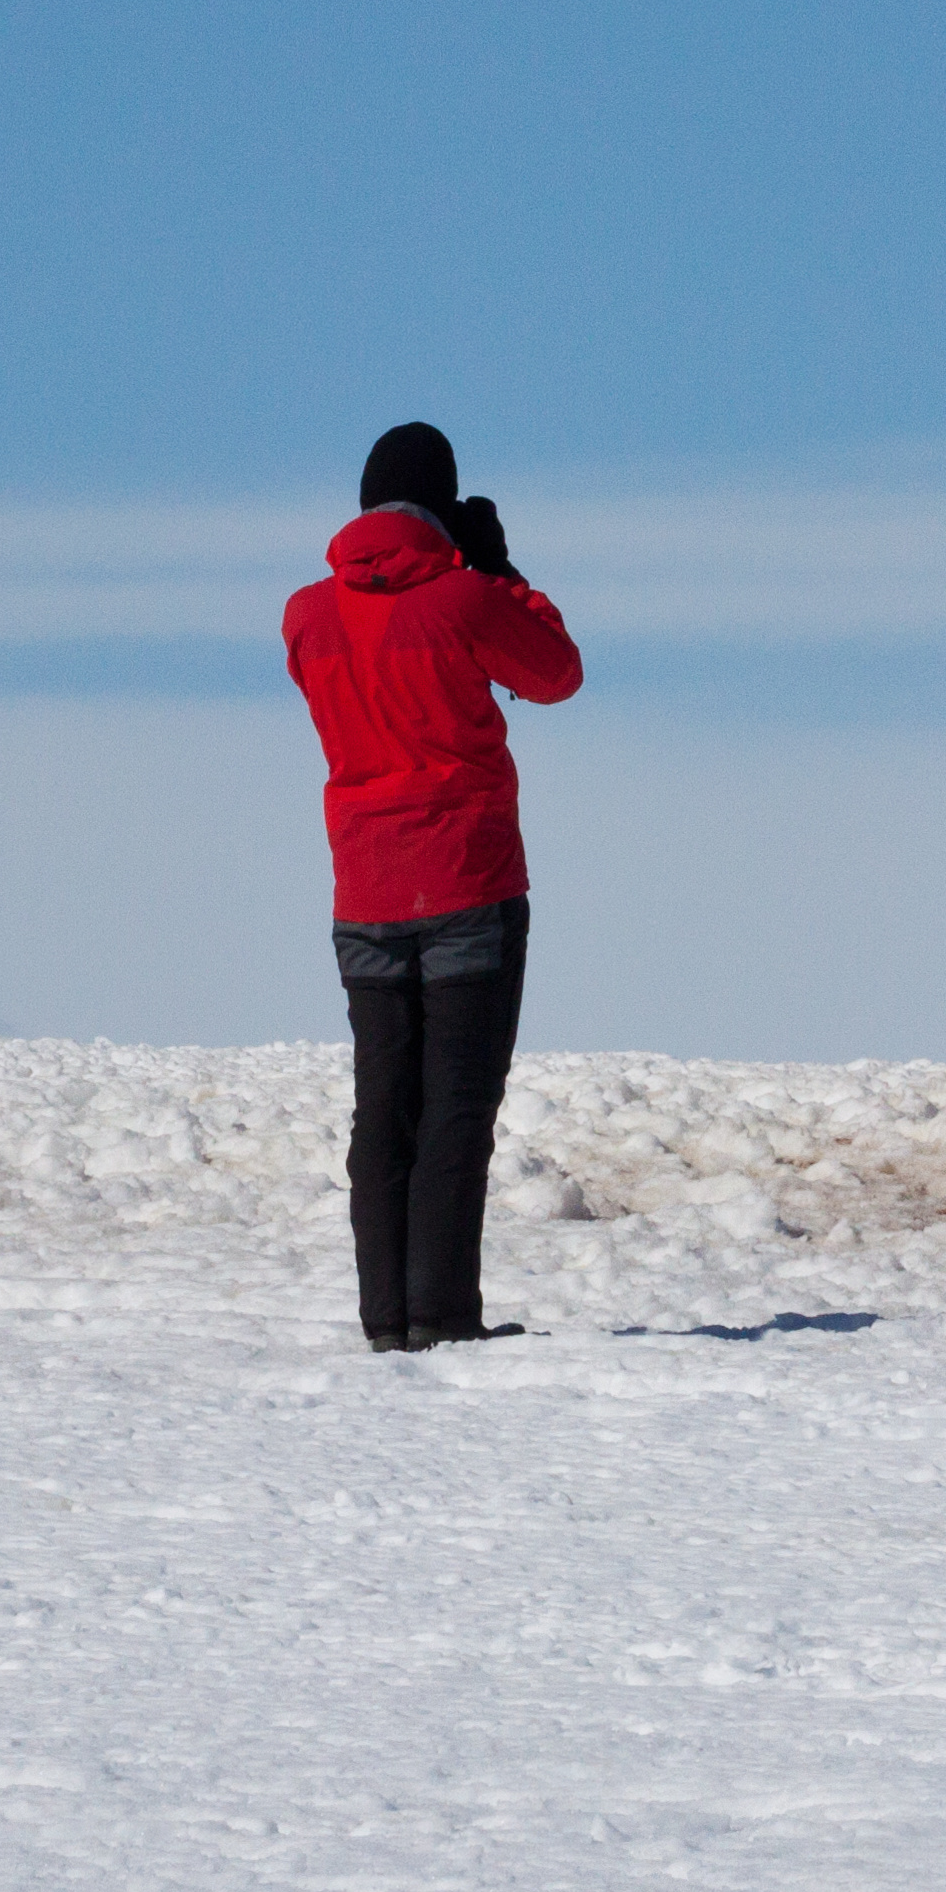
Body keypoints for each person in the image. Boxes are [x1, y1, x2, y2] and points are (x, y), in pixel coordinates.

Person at [281, 423, 585, 1349]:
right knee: (457, 1107)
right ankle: (443, 1321)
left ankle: (387, 1323)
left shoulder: (306, 615)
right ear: (445, 504)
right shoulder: (462, 599)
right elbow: (555, 674)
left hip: (364, 891)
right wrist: (496, 570)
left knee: (386, 1112)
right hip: (468, 880)